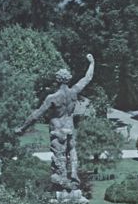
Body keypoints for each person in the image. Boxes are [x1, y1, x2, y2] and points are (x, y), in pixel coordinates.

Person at [14, 54, 95, 194]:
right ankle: (74, 174)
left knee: (60, 157)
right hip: (70, 127)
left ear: (57, 81)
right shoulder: (74, 92)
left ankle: (63, 181)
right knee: (72, 150)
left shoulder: (52, 98)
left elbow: (36, 115)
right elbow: (87, 78)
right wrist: (92, 63)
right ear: (68, 79)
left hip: (58, 130)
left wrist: (22, 128)